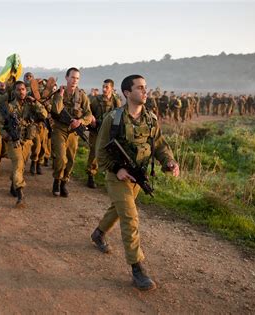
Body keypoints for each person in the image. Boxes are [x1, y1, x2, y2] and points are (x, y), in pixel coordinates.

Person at [90, 74, 179, 291]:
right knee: (130, 217)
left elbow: (159, 145)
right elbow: (100, 151)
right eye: (139, 88)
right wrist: (117, 169)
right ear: (127, 93)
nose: (145, 91)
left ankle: (99, 233)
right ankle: (137, 268)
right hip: (117, 175)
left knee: (119, 209)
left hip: (137, 177)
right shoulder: (114, 118)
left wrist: (169, 162)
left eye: (145, 87)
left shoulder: (150, 119)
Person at [2, 81, 48, 207]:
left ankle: (14, 184)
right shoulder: (9, 107)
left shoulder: (30, 104)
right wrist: (4, 133)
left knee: (21, 166)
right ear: (14, 92)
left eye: (23, 89)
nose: (21, 92)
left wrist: (34, 102)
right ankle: (20, 194)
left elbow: (44, 114)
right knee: (18, 163)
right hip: (13, 140)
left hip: (27, 140)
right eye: (18, 89)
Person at [50, 67, 92, 197]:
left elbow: (89, 114)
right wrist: (60, 96)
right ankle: (57, 180)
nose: (75, 80)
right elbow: (56, 111)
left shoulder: (82, 96)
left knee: (70, 159)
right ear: (67, 78)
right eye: (72, 77)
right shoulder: (58, 94)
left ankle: (64, 182)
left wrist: (80, 122)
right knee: (61, 158)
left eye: (77, 78)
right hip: (59, 129)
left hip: (73, 132)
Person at [86, 79, 121, 188]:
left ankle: (109, 177)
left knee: (110, 153)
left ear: (112, 89)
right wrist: (91, 117)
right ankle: (91, 175)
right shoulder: (96, 100)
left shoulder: (116, 101)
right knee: (94, 153)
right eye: (103, 87)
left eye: (107, 87)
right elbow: (88, 111)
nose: (104, 89)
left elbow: (119, 115)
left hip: (109, 132)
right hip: (96, 131)